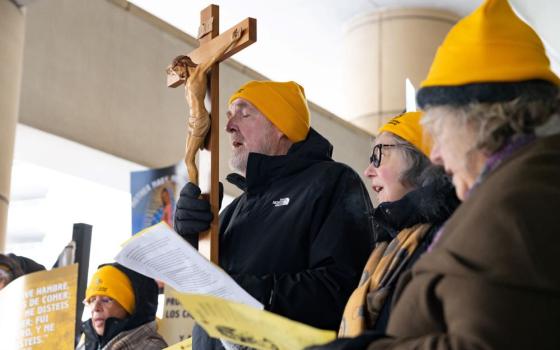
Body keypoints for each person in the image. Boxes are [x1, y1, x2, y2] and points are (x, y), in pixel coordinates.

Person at [311, 0, 560, 349]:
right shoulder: (522, 186)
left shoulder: (515, 201)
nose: (438, 155)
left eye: (440, 133)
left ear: (478, 121)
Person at [174, 80, 375, 349]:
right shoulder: (236, 208)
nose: (228, 125)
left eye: (244, 113)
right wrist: (190, 235)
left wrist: (254, 295)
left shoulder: (331, 182)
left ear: (282, 127)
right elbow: (203, 288)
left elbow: (343, 286)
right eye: (229, 114)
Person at [337, 112, 459, 339]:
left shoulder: (445, 236)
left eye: (378, 156)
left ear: (419, 159)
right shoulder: (387, 244)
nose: (368, 171)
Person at [77, 263, 167, 350]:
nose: (95, 308)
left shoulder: (152, 347)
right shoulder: (89, 344)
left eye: (106, 300)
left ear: (130, 307)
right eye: (92, 300)